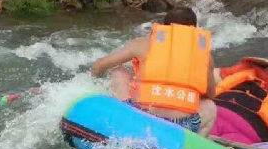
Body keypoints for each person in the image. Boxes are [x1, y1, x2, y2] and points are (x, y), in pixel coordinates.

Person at [91, 7, 217, 135]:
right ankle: (193, 146)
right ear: (194, 30)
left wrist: (93, 84)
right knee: (210, 106)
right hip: (182, 124)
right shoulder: (205, 56)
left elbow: (100, 65)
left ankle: (119, 118)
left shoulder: (142, 44)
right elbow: (211, 94)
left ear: (164, 27)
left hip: (140, 116)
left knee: (118, 71)